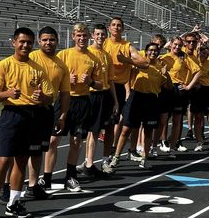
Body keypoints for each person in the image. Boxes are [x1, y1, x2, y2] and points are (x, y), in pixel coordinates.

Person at [0, 27, 53, 218]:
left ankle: (14, 203)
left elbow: (49, 97)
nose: (25, 45)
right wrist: (8, 94)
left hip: (33, 115)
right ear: (14, 42)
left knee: (22, 161)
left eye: (29, 42)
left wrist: (43, 97)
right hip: (12, 115)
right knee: (3, 161)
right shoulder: (4, 66)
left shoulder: (38, 68)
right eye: (22, 42)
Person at [42, 23, 99, 192]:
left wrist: (90, 82)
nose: (82, 39)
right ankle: (46, 178)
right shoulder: (63, 55)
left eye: (84, 36)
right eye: (78, 35)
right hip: (64, 100)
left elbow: (100, 83)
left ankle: (71, 177)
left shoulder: (93, 58)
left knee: (76, 141)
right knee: (53, 140)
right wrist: (66, 82)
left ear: (89, 37)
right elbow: (53, 78)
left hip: (83, 102)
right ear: (73, 37)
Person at [108, 42, 171, 170]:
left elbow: (168, 87)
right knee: (126, 129)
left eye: (155, 51)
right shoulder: (138, 65)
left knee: (148, 132)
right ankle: (116, 157)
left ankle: (144, 158)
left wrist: (166, 74)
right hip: (136, 98)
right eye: (150, 50)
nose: (153, 52)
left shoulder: (161, 67)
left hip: (152, 100)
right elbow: (127, 76)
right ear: (146, 52)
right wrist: (128, 92)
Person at [24, 26, 70, 200]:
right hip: (27, 110)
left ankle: (33, 185)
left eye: (51, 40)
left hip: (47, 110)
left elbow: (65, 94)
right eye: (44, 39)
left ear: (57, 41)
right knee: (19, 151)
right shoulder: (30, 58)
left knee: (39, 149)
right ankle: (7, 188)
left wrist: (63, 116)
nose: (48, 43)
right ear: (38, 41)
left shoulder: (61, 65)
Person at [102, 17, 149, 168]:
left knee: (115, 123)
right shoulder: (103, 43)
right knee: (98, 126)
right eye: (113, 25)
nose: (116, 27)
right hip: (103, 86)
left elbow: (145, 63)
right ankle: (92, 160)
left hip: (120, 87)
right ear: (109, 28)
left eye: (119, 25)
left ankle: (109, 155)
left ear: (122, 29)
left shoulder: (127, 46)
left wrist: (126, 60)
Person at [82, 24, 118, 174]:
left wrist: (115, 101)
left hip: (105, 95)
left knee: (108, 128)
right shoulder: (87, 53)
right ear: (92, 36)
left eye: (102, 34)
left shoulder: (107, 55)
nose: (100, 37)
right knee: (93, 130)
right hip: (91, 95)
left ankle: (103, 160)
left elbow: (110, 81)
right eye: (97, 34)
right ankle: (89, 163)